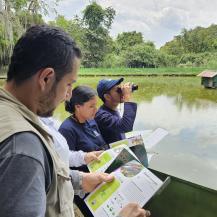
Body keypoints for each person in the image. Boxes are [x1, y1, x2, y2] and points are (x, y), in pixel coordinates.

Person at [0, 25, 150, 217]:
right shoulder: (23, 148)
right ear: (46, 78)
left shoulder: (15, 114)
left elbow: (45, 175)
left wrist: (79, 179)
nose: (68, 96)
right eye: (69, 84)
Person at [59, 85, 108, 217]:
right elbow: (63, 166)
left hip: (102, 177)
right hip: (85, 186)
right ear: (78, 107)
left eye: (96, 105)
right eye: (91, 106)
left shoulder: (90, 121)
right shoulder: (66, 130)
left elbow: (101, 145)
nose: (96, 110)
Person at [95, 78, 138, 144]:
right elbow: (125, 128)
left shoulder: (113, 109)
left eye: (121, 89)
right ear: (107, 97)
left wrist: (136, 142)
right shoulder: (101, 115)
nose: (122, 92)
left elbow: (120, 135)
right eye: (118, 90)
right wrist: (127, 97)